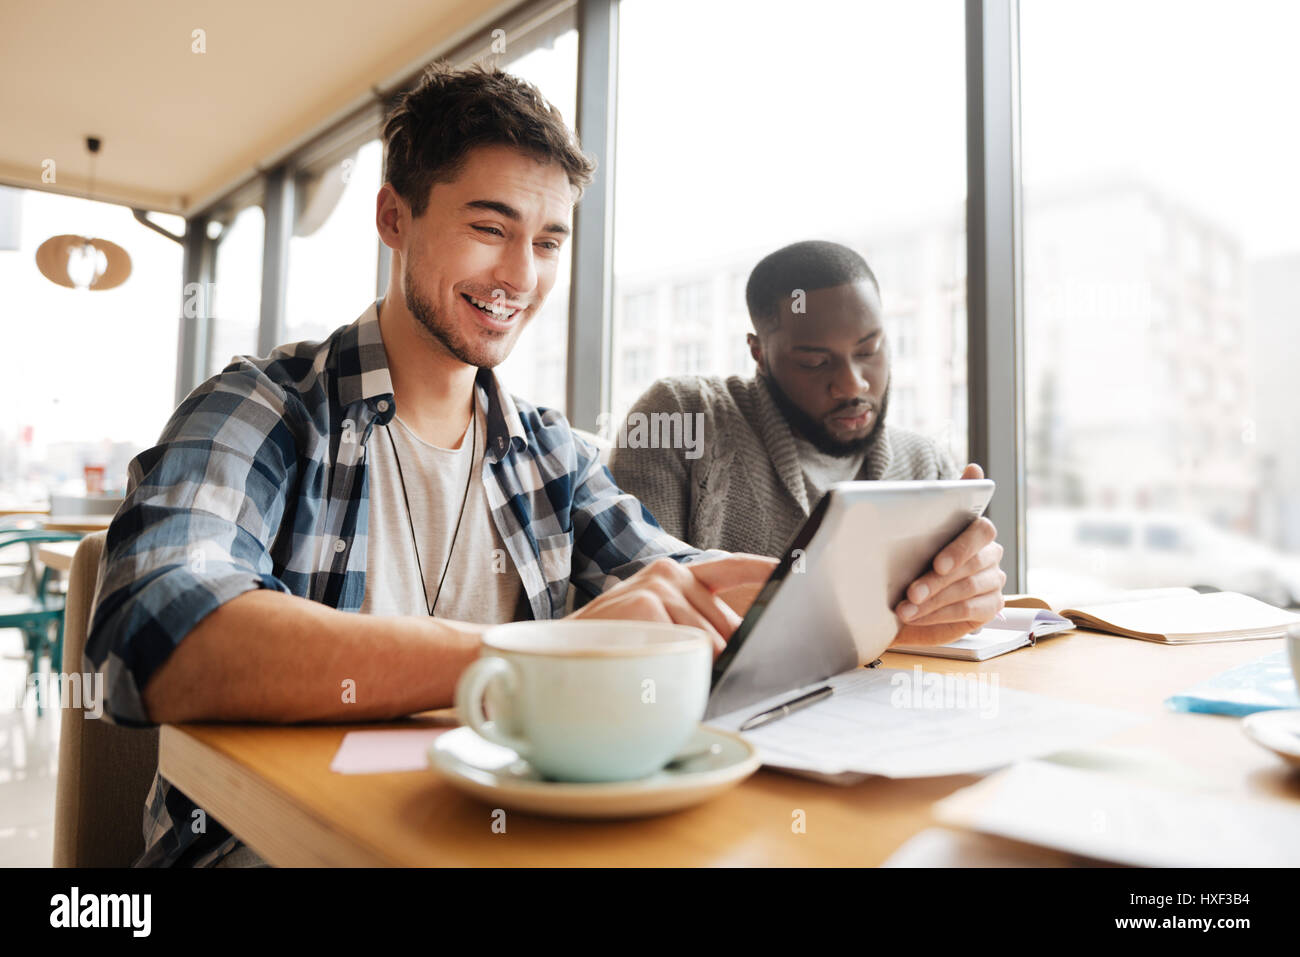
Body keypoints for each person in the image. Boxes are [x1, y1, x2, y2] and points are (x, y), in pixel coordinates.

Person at [85, 69, 1003, 867]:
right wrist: (536, 656)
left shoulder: (547, 451)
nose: (521, 273)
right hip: (275, 847)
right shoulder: (266, 407)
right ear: (393, 217)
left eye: (551, 240)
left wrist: (899, 598)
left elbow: (683, 590)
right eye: (491, 227)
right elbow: (155, 637)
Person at [609, 239, 1004, 625]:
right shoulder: (679, 418)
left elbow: (956, 606)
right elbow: (637, 605)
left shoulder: (925, 462)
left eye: (868, 351)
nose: (852, 386)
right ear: (759, 354)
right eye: (815, 362)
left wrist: (971, 591)